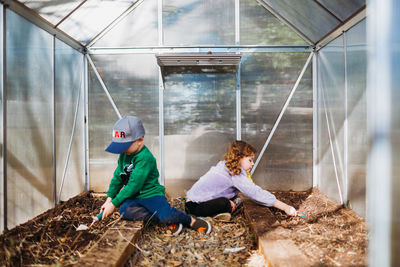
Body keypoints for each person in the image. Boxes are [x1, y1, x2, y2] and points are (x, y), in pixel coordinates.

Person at [99, 115, 211, 235]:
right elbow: (118, 177)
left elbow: (133, 185)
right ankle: (164, 219)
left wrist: (114, 204)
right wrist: (109, 200)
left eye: (125, 146)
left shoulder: (145, 158)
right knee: (124, 211)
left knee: (165, 214)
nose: (122, 150)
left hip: (152, 195)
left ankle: (189, 220)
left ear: (140, 140)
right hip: (135, 197)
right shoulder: (124, 155)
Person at [185, 140, 297, 221]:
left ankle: (225, 208)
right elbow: (255, 193)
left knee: (236, 198)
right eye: (250, 160)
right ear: (239, 158)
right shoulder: (234, 174)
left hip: (193, 200)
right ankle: (214, 215)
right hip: (195, 207)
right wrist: (285, 207)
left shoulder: (226, 166)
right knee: (224, 203)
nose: (252, 164)